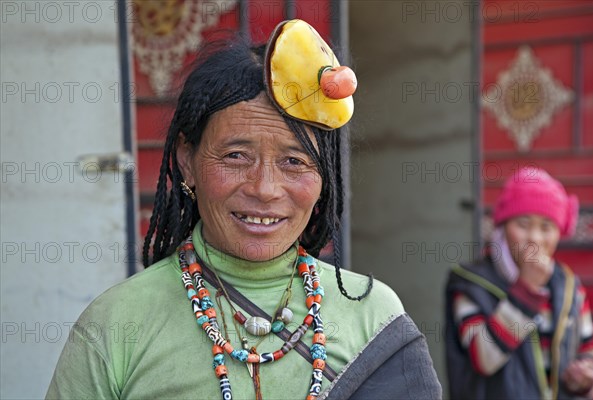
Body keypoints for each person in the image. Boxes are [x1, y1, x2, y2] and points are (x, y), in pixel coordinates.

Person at [47, 20, 441, 400]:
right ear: (187, 159)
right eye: (236, 156)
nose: (265, 189)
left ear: (325, 177)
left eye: (294, 161)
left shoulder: (375, 318)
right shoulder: (115, 326)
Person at [445, 167, 593, 399]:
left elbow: (587, 350)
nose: (535, 238)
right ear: (503, 228)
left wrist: (586, 376)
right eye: (523, 225)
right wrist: (526, 291)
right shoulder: (471, 285)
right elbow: (484, 359)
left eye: (546, 227)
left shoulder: (569, 287)